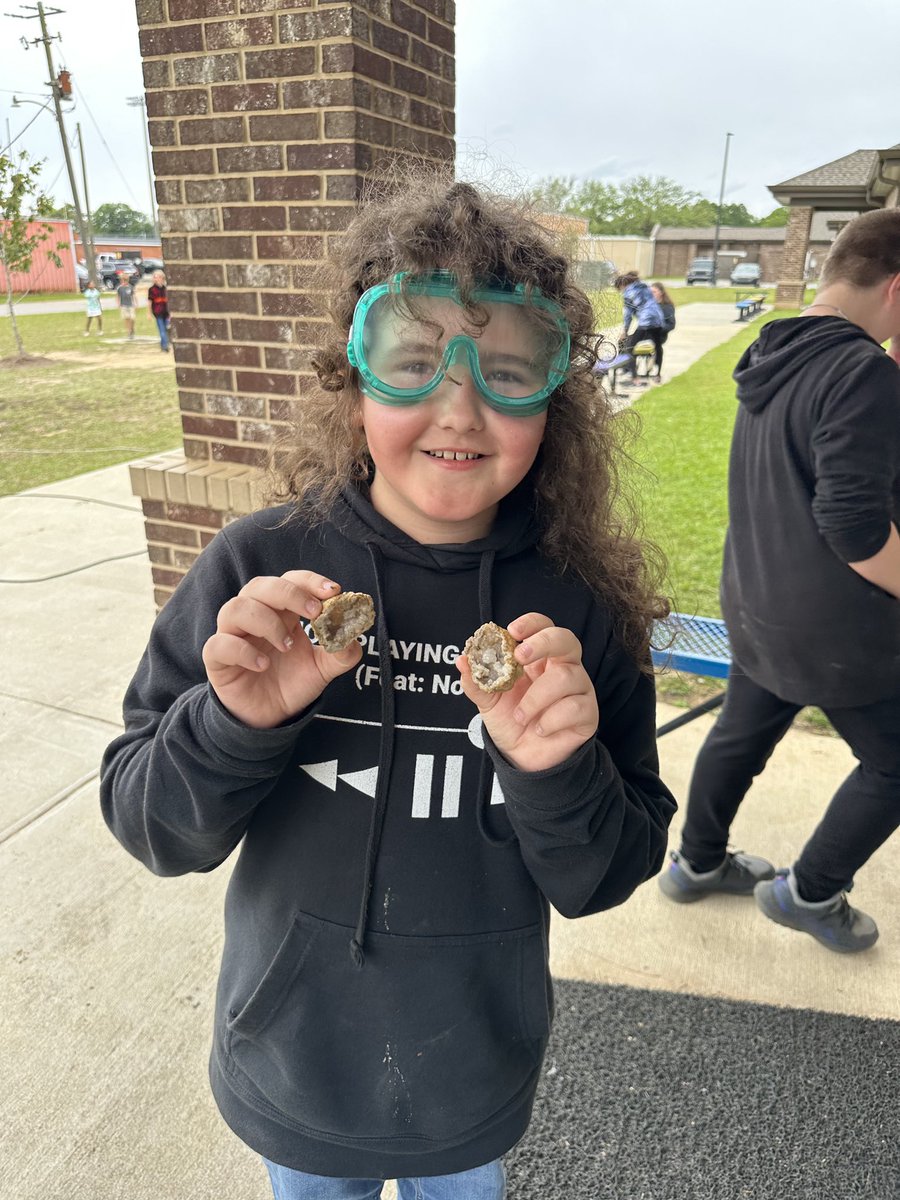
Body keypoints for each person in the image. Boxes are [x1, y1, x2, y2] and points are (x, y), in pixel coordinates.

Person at [100, 179, 676, 1199]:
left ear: (554, 397)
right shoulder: (259, 575)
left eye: (508, 370)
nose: (460, 408)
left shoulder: (577, 610)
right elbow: (153, 827)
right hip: (295, 1067)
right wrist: (234, 722)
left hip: (472, 1078)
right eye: (414, 362)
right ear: (353, 380)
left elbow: (605, 874)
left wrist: (558, 773)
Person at [658, 207, 900, 954]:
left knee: (741, 730)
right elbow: (856, 526)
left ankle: (694, 865)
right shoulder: (863, 370)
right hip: (830, 627)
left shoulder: (777, 345)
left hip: (757, 597)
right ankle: (812, 892)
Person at [614, 271, 664, 386]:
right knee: (658, 347)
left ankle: (635, 378)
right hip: (658, 319)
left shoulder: (627, 293)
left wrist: (625, 331)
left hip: (646, 321)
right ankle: (658, 375)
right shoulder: (644, 287)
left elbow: (628, 315)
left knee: (629, 348)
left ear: (621, 286)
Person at [650, 282, 676, 380]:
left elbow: (671, 324)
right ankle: (629, 369)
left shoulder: (667, 306)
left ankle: (657, 372)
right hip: (646, 332)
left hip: (660, 334)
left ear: (661, 292)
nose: (651, 294)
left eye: (654, 292)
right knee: (626, 340)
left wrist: (659, 329)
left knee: (657, 346)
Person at [147, 268, 170, 351]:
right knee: (162, 329)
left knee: (167, 328)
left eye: (158, 277)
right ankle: (165, 347)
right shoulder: (152, 289)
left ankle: (163, 344)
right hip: (158, 312)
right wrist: (149, 313)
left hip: (166, 312)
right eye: (155, 277)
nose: (156, 279)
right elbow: (149, 302)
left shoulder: (165, 289)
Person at [116, 271, 136, 340]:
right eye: (123, 280)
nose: (124, 281)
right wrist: (118, 304)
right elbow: (118, 296)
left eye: (125, 280)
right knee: (127, 318)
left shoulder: (130, 287)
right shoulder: (120, 288)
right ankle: (129, 332)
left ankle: (132, 329)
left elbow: (133, 295)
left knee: (132, 318)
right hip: (123, 305)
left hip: (130, 305)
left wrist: (135, 303)